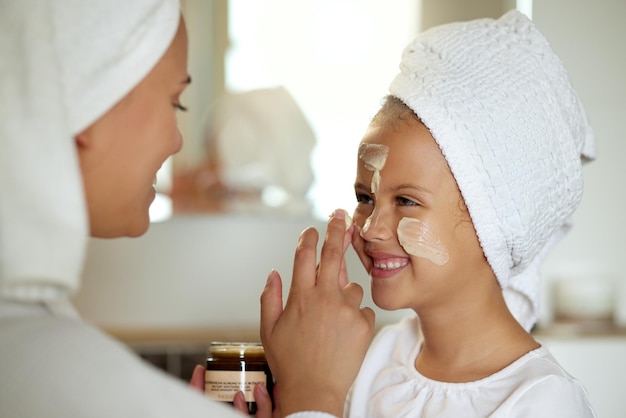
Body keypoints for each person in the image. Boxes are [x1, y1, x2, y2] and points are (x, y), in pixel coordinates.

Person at [0, 1, 373, 417]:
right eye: (175, 101)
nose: (179, 142)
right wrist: (313, 397)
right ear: (89, 102)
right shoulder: (67, 383)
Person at [343, 10, 597, 417]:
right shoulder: (380, 356)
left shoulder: (541, 401)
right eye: (364, 197)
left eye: (406, 201)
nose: (371, 229)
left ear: (492, 221)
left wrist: (310, 398)